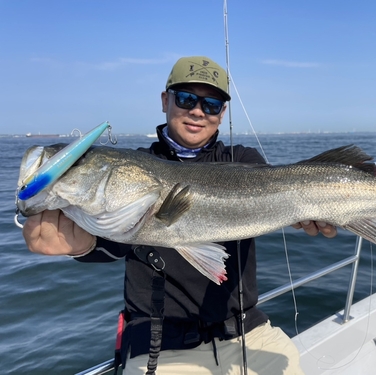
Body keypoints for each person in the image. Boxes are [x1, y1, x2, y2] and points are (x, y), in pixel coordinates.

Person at [22, 56, 337, 374]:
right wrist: (80, 245)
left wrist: (305, 211)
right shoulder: (141, 164)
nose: (198, 111)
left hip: (247, 332)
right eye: (186, 98)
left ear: (222, 113)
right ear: (165, 100)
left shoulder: (243, 159)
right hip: (161, 346)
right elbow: (114, 240)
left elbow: (285, 197)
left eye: (211, 104)